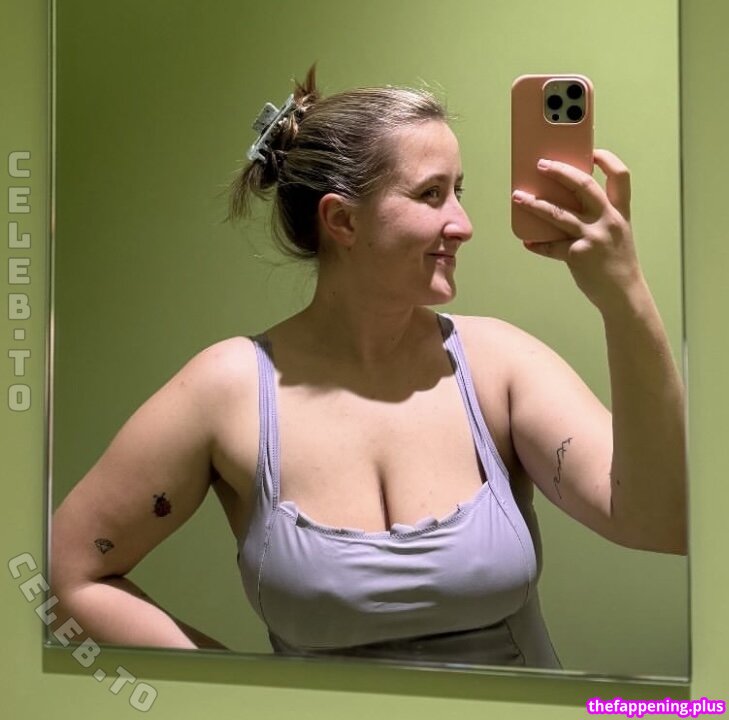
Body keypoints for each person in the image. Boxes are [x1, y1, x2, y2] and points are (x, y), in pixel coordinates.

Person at [50, 67, 686, 668]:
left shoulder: (499, 366)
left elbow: (664, 522)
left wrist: (623, 295)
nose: (463, 224)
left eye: (458, 192)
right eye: (431, 194)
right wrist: (240, 698)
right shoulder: (229, 392)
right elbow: (62, 578)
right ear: (342, 220)